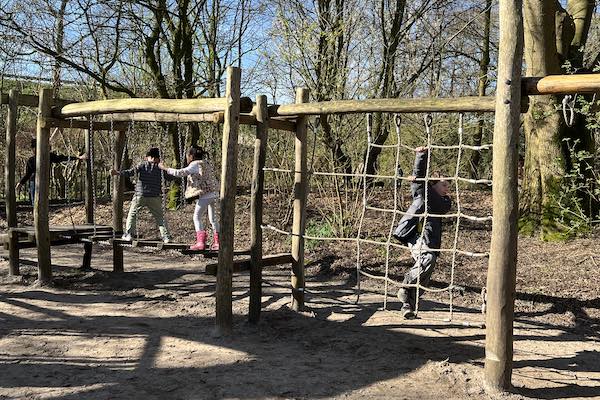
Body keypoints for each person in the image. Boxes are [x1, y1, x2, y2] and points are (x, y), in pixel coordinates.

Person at [393, 146, 451, 319]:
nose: (447, 188)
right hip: (417, 237)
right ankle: (404, 287)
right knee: (427, 259)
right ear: (433, 185)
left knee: (425, 274)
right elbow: (419, 184)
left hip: (430, 240)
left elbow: (423, 185)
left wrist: (419, 179)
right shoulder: (422, 195)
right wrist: (421, 155)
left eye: (448, 185)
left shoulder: (443, 202)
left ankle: (407, 304)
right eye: (444, 185)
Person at [159, 145, 220, 251]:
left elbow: (180, 173)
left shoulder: (194, 164)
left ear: (191, 156)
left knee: (196, 217)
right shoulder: (206, 163)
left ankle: (200, 242)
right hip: (214, 193)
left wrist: (165, 168)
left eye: (187, 156)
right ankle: (218, 242)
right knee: (213, 219)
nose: (187, 158)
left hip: (205, 194)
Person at [112, 147, 171, 243]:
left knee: (133, 214)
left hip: (140, 195)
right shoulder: (160, 168)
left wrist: (118, 173)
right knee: (160, 217)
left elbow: (130, 172)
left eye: (147, 157)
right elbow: (170, 177)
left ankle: (129, 234)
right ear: (158, 158)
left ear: (150, 157)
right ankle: (166, 236)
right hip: (154, 196)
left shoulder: (142, 166)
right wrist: (180, 174)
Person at [16, 139, 86, 205]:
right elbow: (28, 174)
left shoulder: (48, 156)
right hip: (34, 182)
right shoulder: (31, 160)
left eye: (34, 148)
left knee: (42, 202)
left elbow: (61, 158)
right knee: (35, 202)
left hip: (43, 181)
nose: (33, 150)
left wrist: (77, 157)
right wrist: (21, 183)